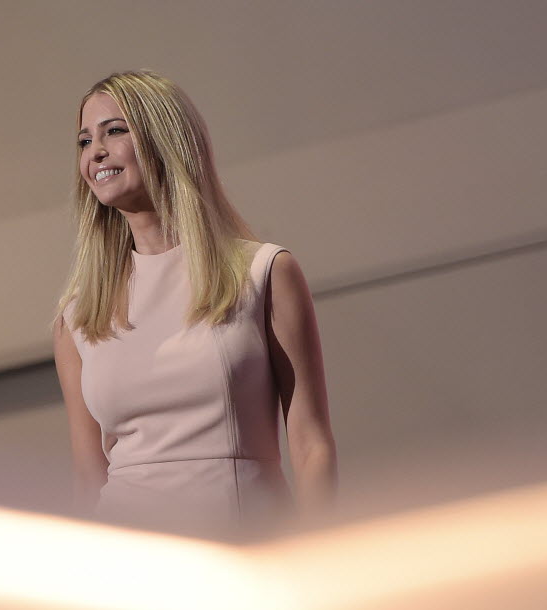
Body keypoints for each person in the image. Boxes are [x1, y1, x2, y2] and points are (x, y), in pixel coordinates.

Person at [52, 70, 336, 539]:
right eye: (84, 141)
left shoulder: (263, 273)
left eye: (115, 131)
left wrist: (322, 553)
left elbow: (311, 443)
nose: (95, 152)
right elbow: (89, 477)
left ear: (166, 139)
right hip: (134, 568)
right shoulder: (77, 317)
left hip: (252, 549)